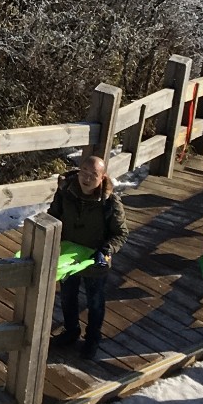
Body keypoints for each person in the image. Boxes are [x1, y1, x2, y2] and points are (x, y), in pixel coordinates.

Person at [46, 150, 127, 361]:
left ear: (103, 178)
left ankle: (93, 338)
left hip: (95, 258)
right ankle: (71, 331)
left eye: (94, 174)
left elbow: (121, 232)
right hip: (68, 258)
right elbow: (52, 217)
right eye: (84, 171)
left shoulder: (110, 202)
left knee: (95, 301)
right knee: (67, 296)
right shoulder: (65, 192)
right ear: (78, 171)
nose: (87, 178)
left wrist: (107, 250)